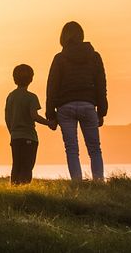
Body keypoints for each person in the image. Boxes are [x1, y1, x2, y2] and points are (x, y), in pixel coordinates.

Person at [45, 21, 108, 182]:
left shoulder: (59, 59)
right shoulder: (94, 56)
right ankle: (99, 182)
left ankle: (77, 183)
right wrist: (101, 112)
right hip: (88, 105)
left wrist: (50, 114)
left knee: (71, 149)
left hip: (65, 107)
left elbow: (52, 87)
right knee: (95, 149)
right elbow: (101, 85)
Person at [5, 64, 57, 185]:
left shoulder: (11, 96)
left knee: (16, 165)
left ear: (14, 78)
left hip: (15, 136)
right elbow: (34, 116)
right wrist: (49, 123)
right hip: (29, 137)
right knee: (27, 166)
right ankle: (24, 190)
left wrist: (12, 132)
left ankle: (14, 189)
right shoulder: (31, 97)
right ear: (31, 79)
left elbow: (7, 118)